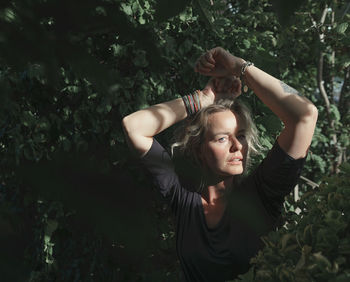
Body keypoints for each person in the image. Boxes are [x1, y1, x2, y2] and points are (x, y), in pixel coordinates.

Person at [122, 47, 318, 282]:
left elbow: (305, 115)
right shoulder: (182, 196)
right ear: (199, 149)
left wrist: (240, 67)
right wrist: (202, 99)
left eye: (242, 135)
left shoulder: (262, 193)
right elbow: (134, 127)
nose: (237, 146)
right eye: (222, 138)